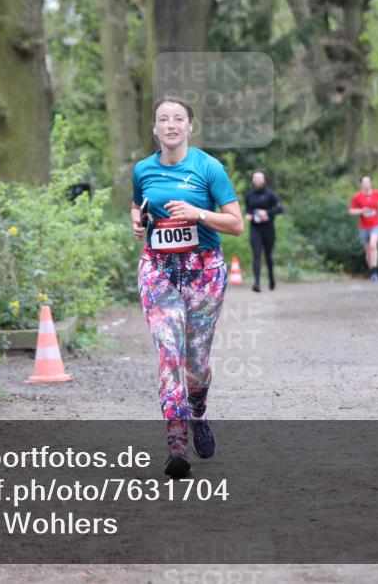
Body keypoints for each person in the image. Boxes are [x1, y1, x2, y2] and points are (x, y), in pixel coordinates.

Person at [131, 96, 244, 478]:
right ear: (155, 128)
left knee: (195, 363)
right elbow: (138, 205)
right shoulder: (143, 169)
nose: (171, 125)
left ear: (190, 126)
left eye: (178, 118)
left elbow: (236, 223)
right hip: (158, 269)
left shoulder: (209, 168)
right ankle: (176, 442)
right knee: (168, 352)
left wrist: (197, 214)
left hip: (203, 271)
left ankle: (198, 410)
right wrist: (137, 220)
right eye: (163, 119)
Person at [244, 170, 283, 292]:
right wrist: (248, 215)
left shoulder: (270, 194)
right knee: (256, 255)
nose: (257, 180)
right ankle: (257, 283)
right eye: (255, 178)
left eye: (260, 178)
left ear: (264, 180)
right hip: (255, 229)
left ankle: (271, 280)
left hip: (268, 229)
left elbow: (280, 209)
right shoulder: (249, 195)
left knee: (268, 256)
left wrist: (266, 212)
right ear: (252, 180)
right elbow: (248, 210)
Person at [348, 176, 378, 281]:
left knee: (373, 245)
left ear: (371, 183)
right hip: (364, 227)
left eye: (368, 182)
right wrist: (361, 210)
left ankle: (375, 271)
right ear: (361, 184)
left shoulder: (377, 193)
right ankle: (372, 271)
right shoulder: (357, 197)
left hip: (376, 224)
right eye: (364, 182)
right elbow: (351, 211)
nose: (367, 184)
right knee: (368, 250)